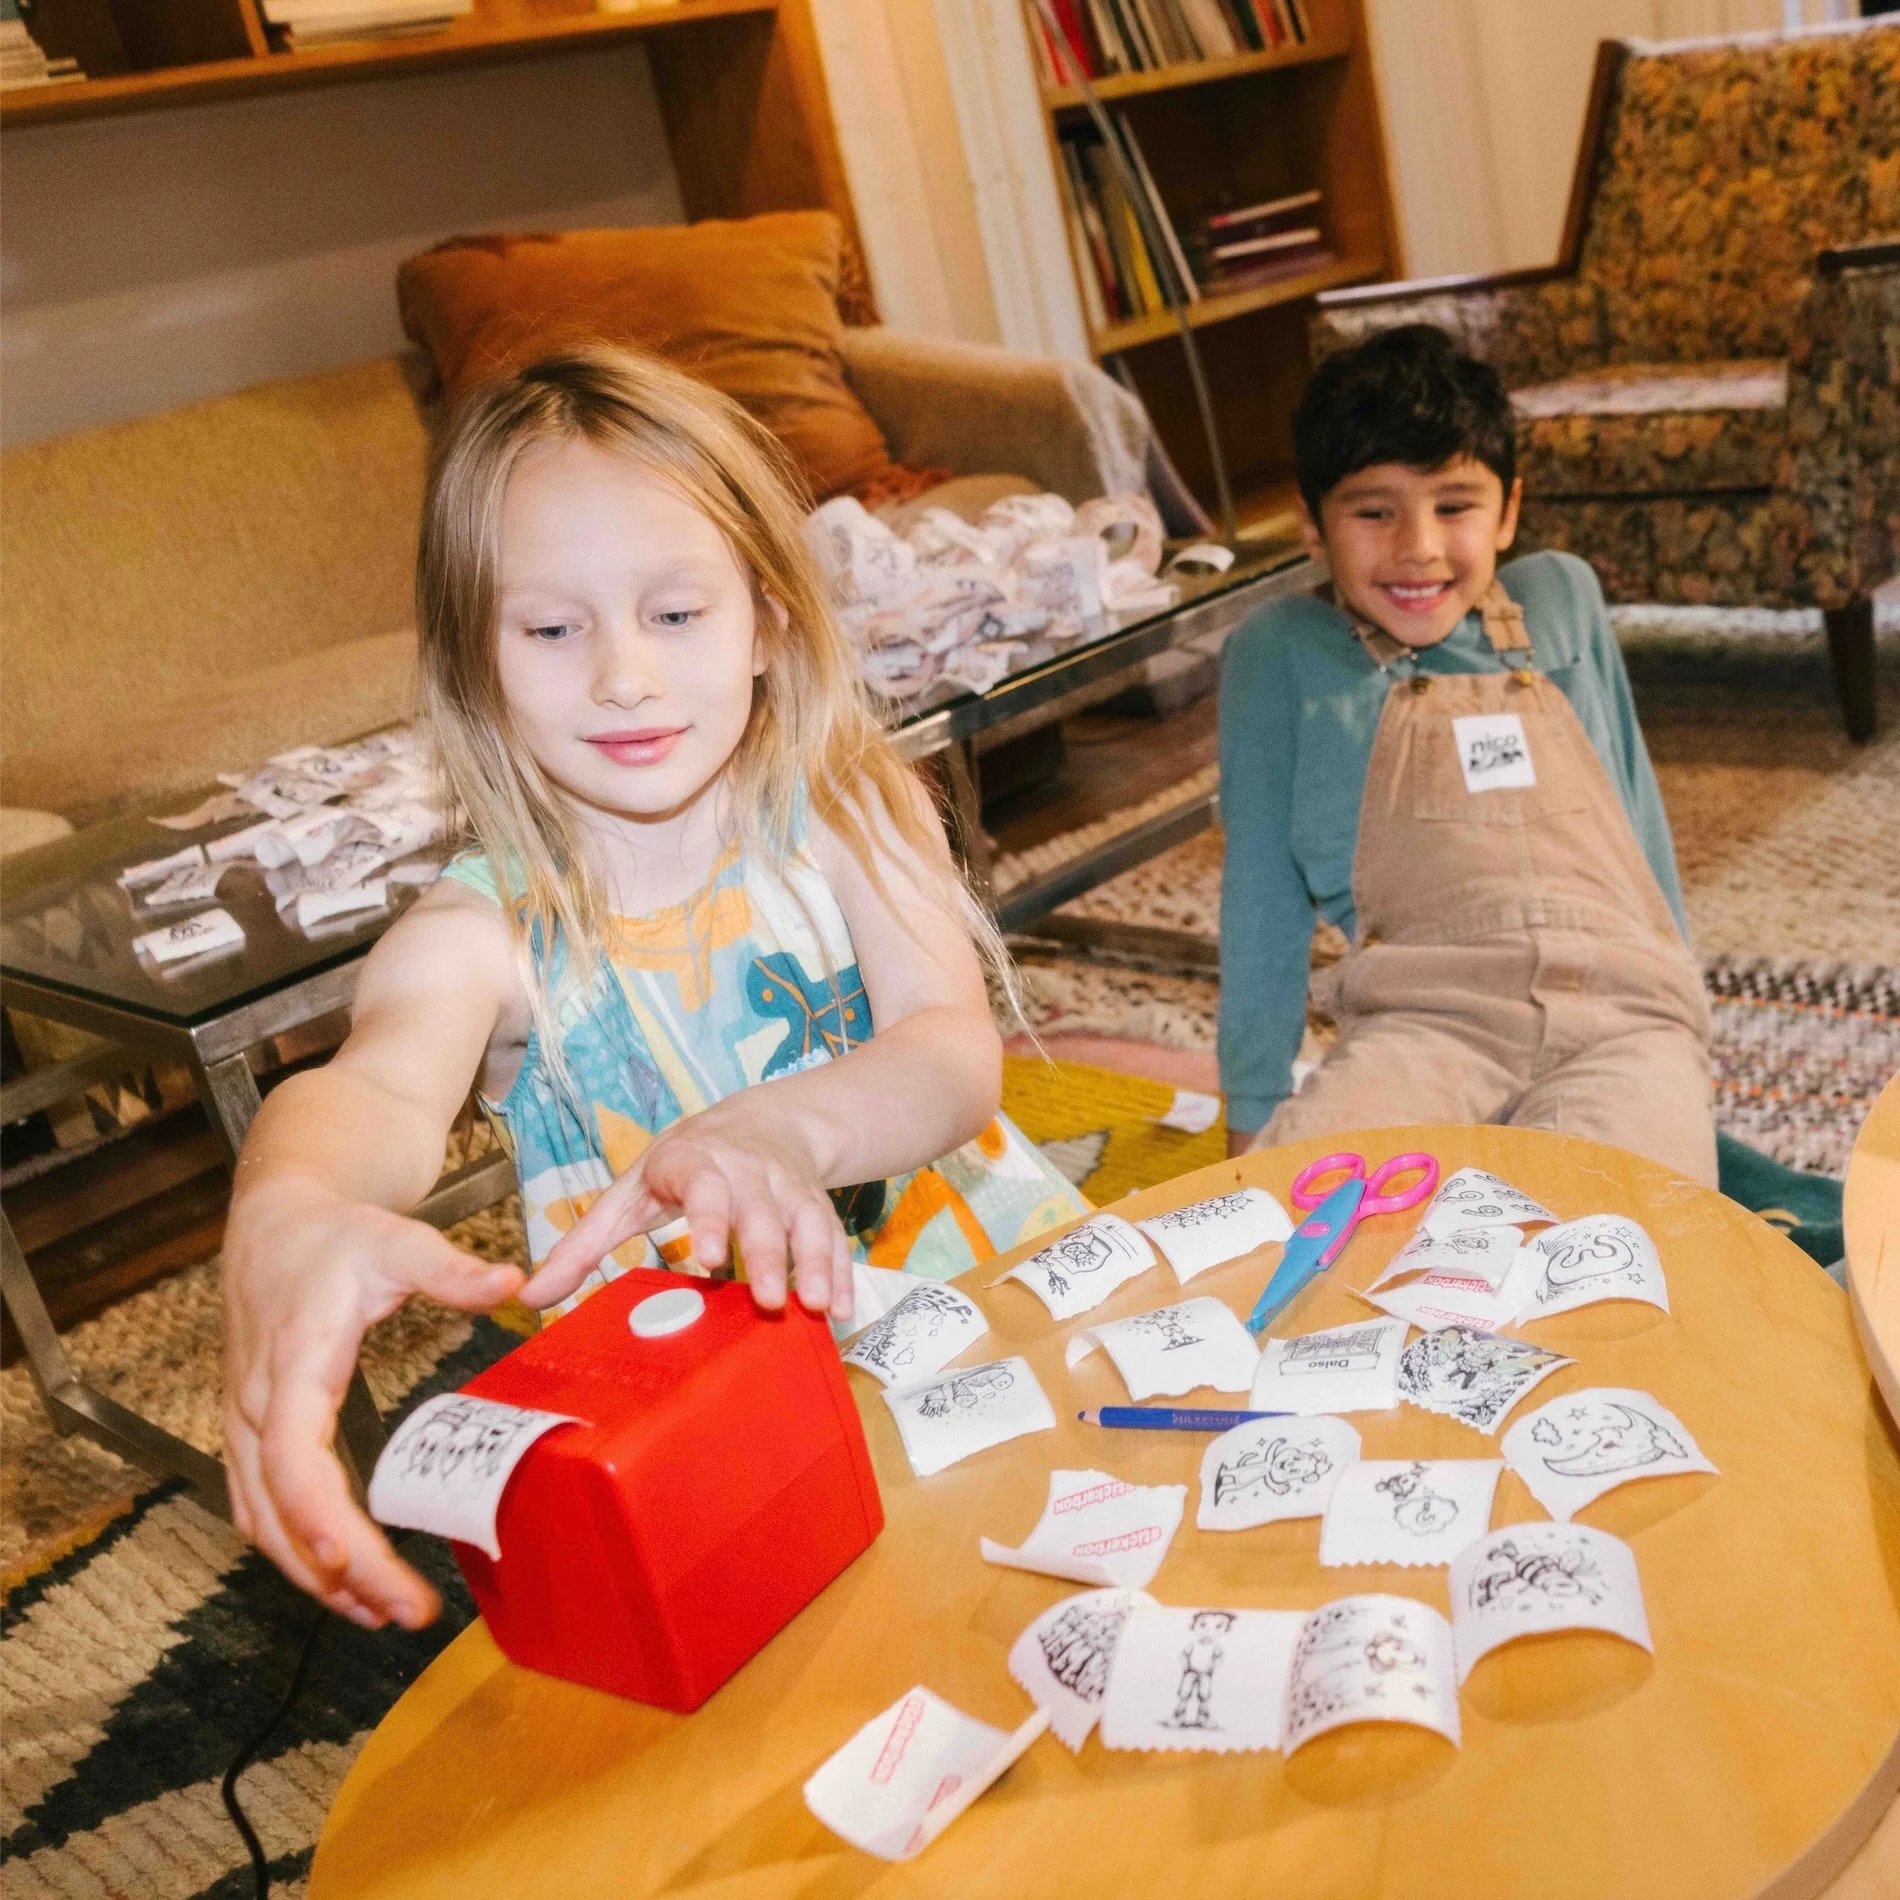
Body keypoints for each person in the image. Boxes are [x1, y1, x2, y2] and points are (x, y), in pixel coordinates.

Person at [222, 346, 1085, 1631]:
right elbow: (371, 1088)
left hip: (960, 1305)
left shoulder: (853, 803)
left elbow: (951, 1052)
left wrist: (778, 1126)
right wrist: (288, 1212)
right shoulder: (480, 932)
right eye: (554, 629)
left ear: (767, 623)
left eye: (675, 615)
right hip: (703, 1409)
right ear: (477, 666)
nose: (621, 675)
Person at [1218, 324, 1713, 1182]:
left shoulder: (1562, 598)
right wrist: (1252, 1119)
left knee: (1636, 1253)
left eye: (1454, 506)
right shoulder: (1280, 651)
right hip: (1423, 1026)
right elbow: (1259, 900)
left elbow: (1637, 815)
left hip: (1624, 1015)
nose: (1417, 546)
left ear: (1510, 510)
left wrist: (1687, 1010)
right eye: (1374, 511)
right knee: (1288, 1227)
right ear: (1310, 523)